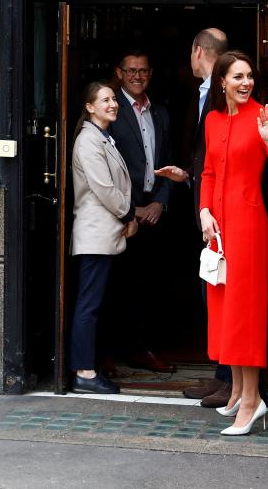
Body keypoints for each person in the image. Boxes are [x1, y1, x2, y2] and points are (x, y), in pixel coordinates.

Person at [198, 51, 268, 435]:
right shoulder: (214, 119)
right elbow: (207, 172)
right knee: (225, 309)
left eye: (249, 76)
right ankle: (238, 391)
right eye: (237, 76)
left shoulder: (262, 118)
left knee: (245, 313)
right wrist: (204, 212)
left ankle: (253, 400)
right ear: (221, 80)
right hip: (219, 228)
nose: (245, 83)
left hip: (248, 225)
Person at [157, 27, 234, 407]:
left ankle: (233, 379)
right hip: (205, 209)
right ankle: (222, 373)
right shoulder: (203, 93)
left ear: (196, 50)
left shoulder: (221, 96)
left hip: (223, 214)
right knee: (212, 292)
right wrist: (188, 174)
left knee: (221, 293)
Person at [105, 50, 175, 374]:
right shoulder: (110, 111)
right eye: (131, 71)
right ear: (119, 72)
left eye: (143, 71)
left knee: (149, 285)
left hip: (154, 211)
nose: (137, 76)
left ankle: (141, 349)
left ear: (150, 74)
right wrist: (132, 209)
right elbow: (104, 168)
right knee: (115, 284)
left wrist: (160, 201)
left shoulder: (159, 112)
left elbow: (170, 164)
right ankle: (109, 353)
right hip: (121, 212)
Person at [68, 81, 138, 394]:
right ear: (89, 106)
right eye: (105, 99)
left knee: (95, 303)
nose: (113, 104)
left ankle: (90, 367)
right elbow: (105, 188)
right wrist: (129, 214)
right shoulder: (88, 141)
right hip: (96, 234)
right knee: (89, 305)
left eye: (113, 99)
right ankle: (83, 372)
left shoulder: (102, 137)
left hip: (104, 235)